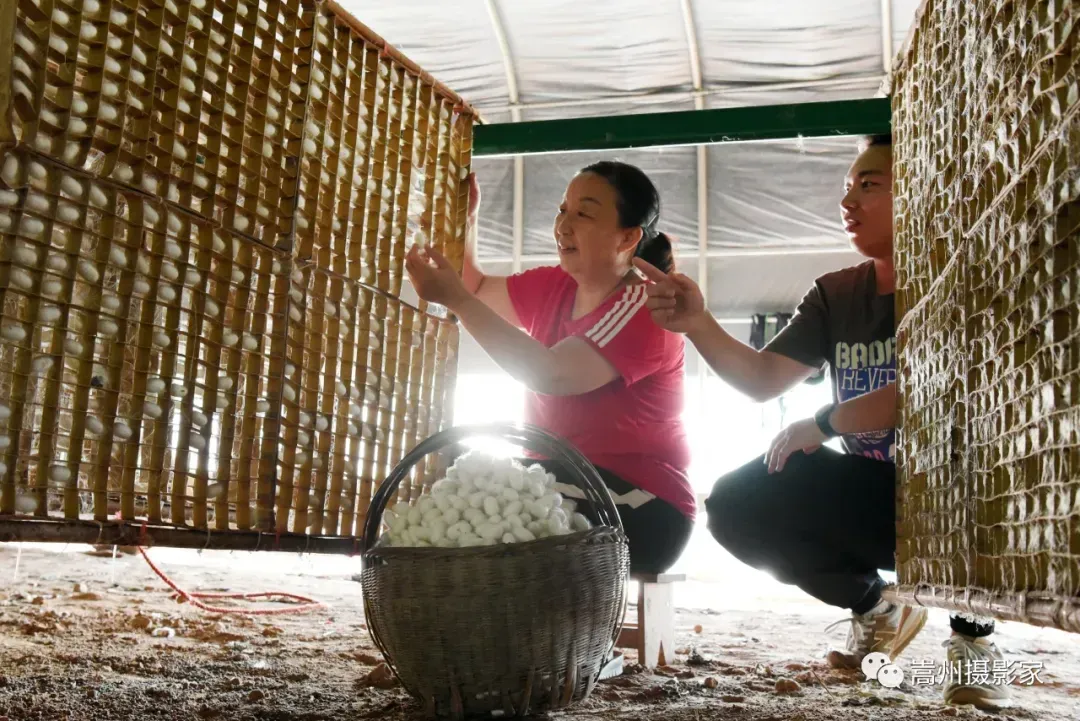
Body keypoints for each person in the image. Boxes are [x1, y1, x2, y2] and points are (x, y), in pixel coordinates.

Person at [633, 135, 1010, 710]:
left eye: (869, 185)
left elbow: (928, 389)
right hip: (878, 497)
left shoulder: (959, 279)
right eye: (846, 188)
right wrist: (698, 322)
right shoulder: (837, 294)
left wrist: (825, 421)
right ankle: (879, 607)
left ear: (923, 192)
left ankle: (973, 640)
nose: (849, 200)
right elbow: (761, 380)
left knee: (963, 481)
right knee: (739, 503)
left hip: (962, 495)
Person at [405, 160, 694, 576]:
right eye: (562, 210)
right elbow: (476, 289)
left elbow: (552, 374)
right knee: (456, 474)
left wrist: (459, 303)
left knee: (485, 494)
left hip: (644, 506)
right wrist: (467, 218)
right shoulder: (554, 286)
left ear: (628, 237)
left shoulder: (647, 307)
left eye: (584, 213)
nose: (563, 224)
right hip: (554, 479)